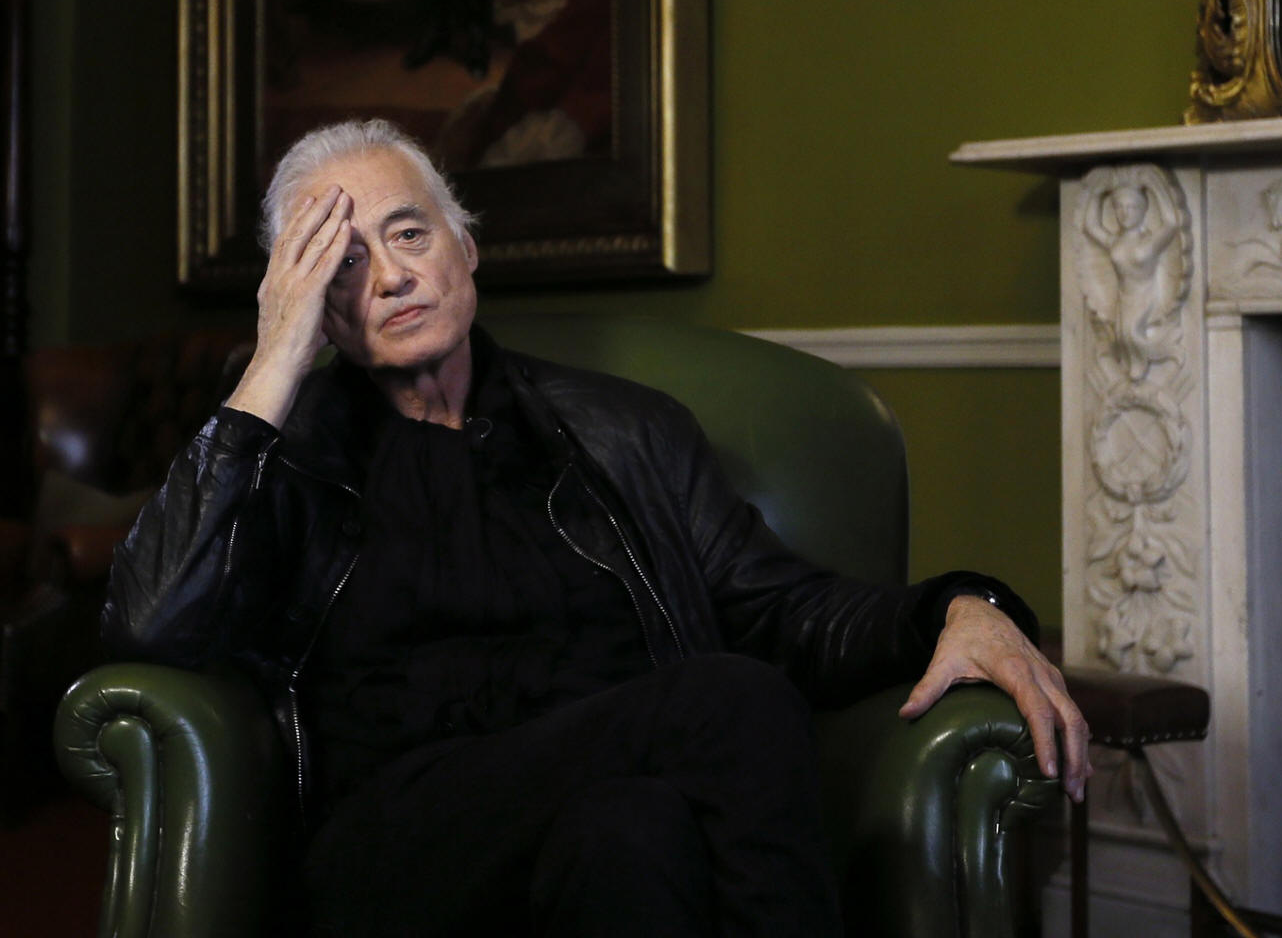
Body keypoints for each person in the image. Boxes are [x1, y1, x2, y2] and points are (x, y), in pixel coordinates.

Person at [102, 119, 1089, 937]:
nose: (393, 277)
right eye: (345, 263)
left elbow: (780, 608)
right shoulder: (288, 455)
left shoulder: (626, 433)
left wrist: (960, 606)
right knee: (730, 705)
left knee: (633, 830)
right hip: (396, 844)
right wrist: (272, 364)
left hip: (601, 800)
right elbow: (148, 622)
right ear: (311, 301)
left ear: (465, 248)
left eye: (410, 234)